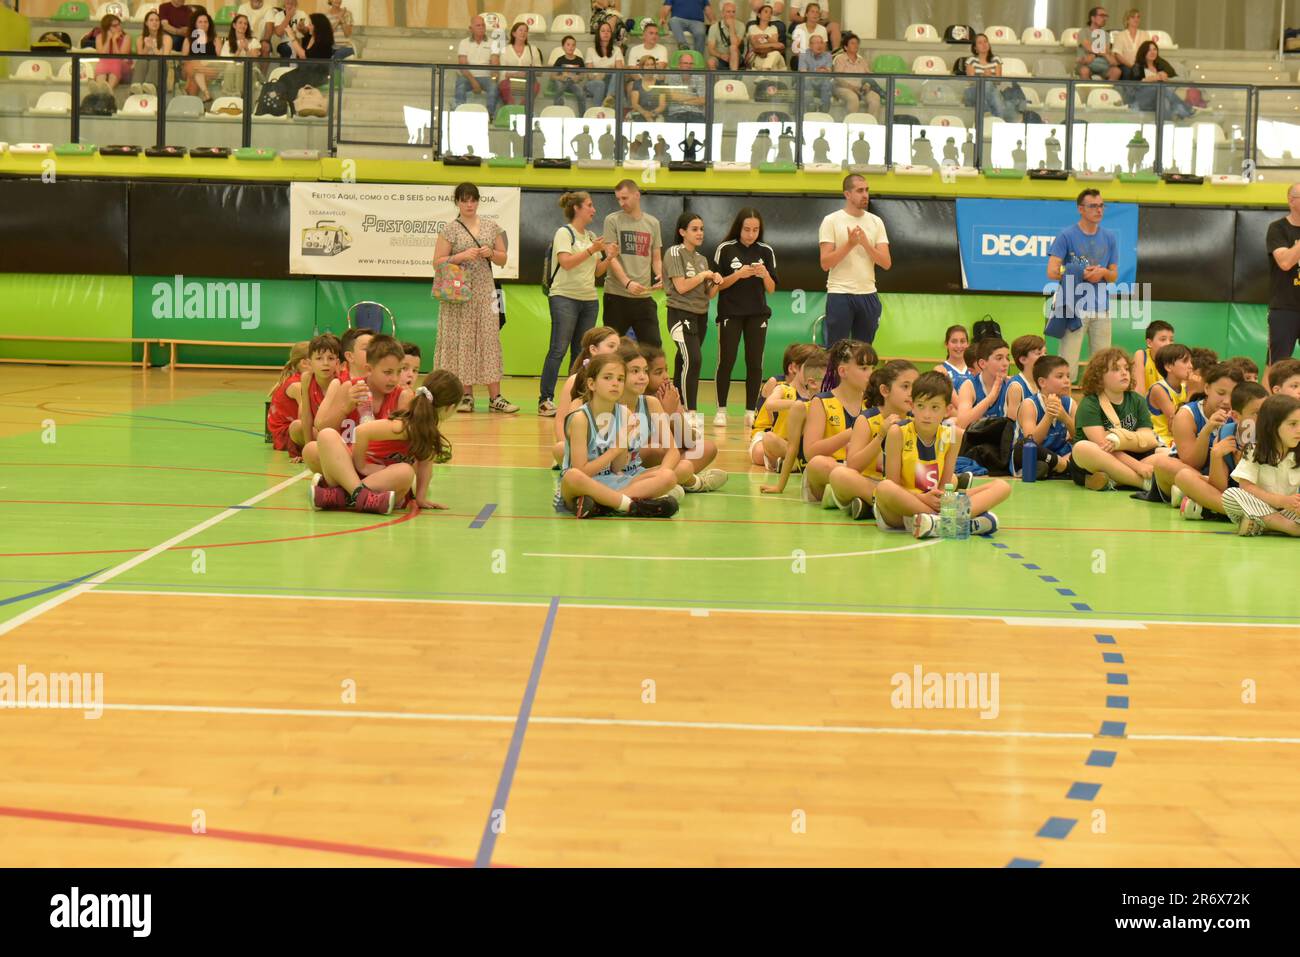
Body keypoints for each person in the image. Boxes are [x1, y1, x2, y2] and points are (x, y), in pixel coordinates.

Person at [873, 372, 1007, 538]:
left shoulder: (953, 435)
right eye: (921, 406)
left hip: (937, 503)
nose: (926, 414)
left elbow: (945, 485)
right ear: (912, 406)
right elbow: (893, 484)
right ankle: (955, 521)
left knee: (1002, 486)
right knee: (884, 488)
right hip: (903, 509)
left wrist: (941, 498)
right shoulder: (897, 432)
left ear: (947, 410)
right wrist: (923, 498)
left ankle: (939, 523)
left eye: (935, 407)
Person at [310, 369, 463, 514]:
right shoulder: (406, 425)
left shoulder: (428, 430)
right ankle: (357, 494)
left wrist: (421, 498)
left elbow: (425, 465)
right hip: (356, 475)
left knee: (405, 472)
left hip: (379, 483)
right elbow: (361, 431)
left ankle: (341, 496)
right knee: (326, 435)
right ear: (450, 408)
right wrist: (361, 465)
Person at [554, 353, 681, 518]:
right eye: (608, 378)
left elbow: (617, 468)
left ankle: (605, 505)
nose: (615, 383)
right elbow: (582, 472)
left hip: (613, 481)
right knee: (572, 476)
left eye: (620, 379)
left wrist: (623, 445)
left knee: (668, 476)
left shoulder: (624, 414)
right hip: (583, 484)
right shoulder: (580, 418)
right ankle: (631, 506)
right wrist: (614, 450)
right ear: (592, 384)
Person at [431, 182, 518, 414]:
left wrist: (493, 253)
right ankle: (466, 395)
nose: (469, 204)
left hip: (485, 291)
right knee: (463, 341)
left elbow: (502, 259)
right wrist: (459, 256)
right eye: (464, 200)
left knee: (490, 340)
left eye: (473, 200)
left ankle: (495, 397)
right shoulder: (450, 229)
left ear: (478, 201)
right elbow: (437, 262)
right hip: (459, 295)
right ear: (457, 202)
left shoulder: (492, 227)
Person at [540, 192, 608, 417]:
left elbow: (597, 271)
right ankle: (545, 400)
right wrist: (591, 250)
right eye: (589, 205)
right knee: (558, 349)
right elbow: (566, 262)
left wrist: (610, 257)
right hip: (564, 297)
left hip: (588, 299)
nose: (593, 209)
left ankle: (575, 398)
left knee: (581, 352)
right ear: (577, 208)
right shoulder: (564, 232)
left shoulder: (591, 235)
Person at [827, 359, 918, 519]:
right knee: (840, 475)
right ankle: (884, 504)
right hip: (870, 484)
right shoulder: (867, 419)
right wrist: (881, 436)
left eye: (915, 387)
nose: (911, 393)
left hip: (902, 488)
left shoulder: (915, 421)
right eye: (905, 386)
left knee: (951, 478)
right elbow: (853, 465)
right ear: (885, 390)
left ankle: (873, 507)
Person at [712, 207, 777, 428]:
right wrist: (738, 275)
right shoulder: (725, 249)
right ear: (739, 228)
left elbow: (771, 289)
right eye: (747, 229)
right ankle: (721, 410)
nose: (751, 234)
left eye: (755, 230)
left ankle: (751, 410)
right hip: (731, 313)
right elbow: (717, 286)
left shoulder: (766, 251)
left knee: (754, 362)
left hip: (757, 314)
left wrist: (765, 274)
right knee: (727, 360)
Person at [1046, 188, 1119, 383]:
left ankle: (1098, 410)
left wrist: (1103, 273)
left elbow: (1113, 275)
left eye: (1101, 205)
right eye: (1093, 206)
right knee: (1067, 366)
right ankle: (1063, 409)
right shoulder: (1066, 235)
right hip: (1074, 308)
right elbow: (1052, 271)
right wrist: (1080, 272)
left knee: (1103, 368)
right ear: (1081, 209)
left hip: (1102, 309)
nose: (1099, 210)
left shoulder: (1109, 237)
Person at [1067, 347, 1158, 491]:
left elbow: (1147, 439)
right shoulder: (1090, 403)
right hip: (1098, 460)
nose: (1124, 373)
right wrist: (1138, 466)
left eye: (1126, 369)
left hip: (1130, 456)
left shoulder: (1137, 400)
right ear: (1099, 376)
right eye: (1116, 369)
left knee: (1164, 455)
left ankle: (1115, 479)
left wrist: (1120, 440)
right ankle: (1145, 484)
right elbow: (1104, 446)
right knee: (1081, 448)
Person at [818, 174, 891, 344]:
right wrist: (850, 244)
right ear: (847, 194)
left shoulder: (876, 221)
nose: (865, 194)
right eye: (859, 191)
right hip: (840, 293)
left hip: (868, 294)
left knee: (863, 352)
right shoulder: (831, 221)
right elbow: (825, 263)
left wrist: (865, 243)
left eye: (866, 190)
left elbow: (886, 263)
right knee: (837, 351)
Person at [664, 212, 722, 416]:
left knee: (683, 360)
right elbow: (680, 287)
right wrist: (703, 275)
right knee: (694, 360)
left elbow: (708, 294)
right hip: (680, 314)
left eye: (702, 229)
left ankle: (675, 408)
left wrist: (715, 282)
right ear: (682, 232)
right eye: (694, 229)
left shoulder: (702, 259)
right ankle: (691, 411)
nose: (700, 233)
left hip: (700, 315)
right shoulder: (674, 252)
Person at [1221, 395, 1300, 536]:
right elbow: (1246, 486)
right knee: (1230, 495)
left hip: (1288, 512)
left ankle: (1264, 525)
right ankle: (1290, 528)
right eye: (1293, 424)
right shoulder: (1254, 450)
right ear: (1272, 426)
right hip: (1257, 505)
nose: (1299, 429)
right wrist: (1280, 500)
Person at [602, 179, 664, 346]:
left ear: (637, 195)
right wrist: (627, 283)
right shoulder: (612, 220)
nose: (621, 203)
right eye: (618, 199)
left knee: (653, 346)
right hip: (616, 295)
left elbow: (656, 258)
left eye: (625, 198)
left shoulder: (653, 223)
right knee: (612, 348)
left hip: (643, 297)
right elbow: (611, 256)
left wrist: (661, 275)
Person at [750, 344, 825, 470]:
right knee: (768, 440)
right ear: (795, 368)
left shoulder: (817, 393)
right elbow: (769, 404)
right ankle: (789, 463)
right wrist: (798, 404)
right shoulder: (783, 388)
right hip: (782, 441)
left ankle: (791, 463)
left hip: (803, 445)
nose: (813, 375)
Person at [1013, 355, 1076, 479]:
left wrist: (1066, 419)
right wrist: (1048, 416)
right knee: (1030, 449)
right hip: (1033, 454)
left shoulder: (1070, 403)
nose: (1067, 380)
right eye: (1060, 376)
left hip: (1060, 454)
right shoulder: (1029, 405)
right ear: (1042, 382)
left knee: (1084, 447)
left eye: (1068, 376)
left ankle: (1056, 467)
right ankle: (1065, 468)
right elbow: (1031, 443)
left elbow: (1080, 437)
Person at [1266, 183, 1300, 364]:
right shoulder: (1278, 228)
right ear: (1291, 200)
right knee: (1277, 365)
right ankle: (1274, 393)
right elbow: (1285, 262)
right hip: (1285, 307)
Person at [1125, 40, 1193, 120]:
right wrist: (1152, 78)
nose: (1153, 52)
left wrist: (1165, 78)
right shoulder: (1137, 67)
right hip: (1140, 100)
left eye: (1155, 49)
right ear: (1143, 52)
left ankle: (1166, 126)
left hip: (1156, 100)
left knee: (1164, 100)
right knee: (1158, 88)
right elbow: (1134, 87)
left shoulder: (1159, 66)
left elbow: (1173, 77)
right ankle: (1185, 110)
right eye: (1149, 50)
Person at [1146, 342, 1192, 448]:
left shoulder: (1185, 388)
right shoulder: (1159, 389)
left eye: (1191, 361)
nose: (1191, 366)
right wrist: (1193, 391)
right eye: (1185, 361)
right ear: (1168, 367)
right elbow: (1176, 426)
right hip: (1161, 440)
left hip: (1177, 440)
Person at [964, 33, 1017, 123]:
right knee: (987, 84)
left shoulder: (996, 59)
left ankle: (989, 115)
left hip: (992, 92)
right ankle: (996, 119)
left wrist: (988, 77)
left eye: (985, 41)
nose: (984, 44)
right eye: (980, 43)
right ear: (975, 48)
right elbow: (971, 81)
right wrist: (984, 76)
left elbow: (998, 81)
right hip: (974, 92)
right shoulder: (971, 61)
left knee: (996, 98)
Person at [454, 15, 500, 114]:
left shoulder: (493, 43)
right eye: (478, 25)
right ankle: (459, 114)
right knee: (460, 85)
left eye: (483, 25)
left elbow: (495, 66)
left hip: (487, 77)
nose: (481, 28)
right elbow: (462, 66)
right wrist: (474, 82)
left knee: (494, 87)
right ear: (471, 28)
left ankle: (489, 116)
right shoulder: (464, 43)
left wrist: (493, 79)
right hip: (468, 77)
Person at [833, 33, 882, 118]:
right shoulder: (840, 59)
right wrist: (852, 87)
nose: (856, 45)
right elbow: (838, 78)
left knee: (875, 98)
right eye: (852, 43)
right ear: (845, 47)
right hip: (843, 88)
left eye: (857, 43)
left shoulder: (862, 60)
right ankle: (851, 126)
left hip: (861, 89)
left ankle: (871, 125)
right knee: (853, 98)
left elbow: (869, 76)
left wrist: (867, 85)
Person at [180, 11, 224, 102]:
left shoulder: (216, 39)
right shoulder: (188, 39)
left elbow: (219, 60)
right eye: (200, 22)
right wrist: (198, 64)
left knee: (193, 78)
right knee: (194, 64)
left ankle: (192, 107)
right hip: (190, 68)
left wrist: (201, 64)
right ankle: (206, 93)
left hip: (210, 68)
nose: (203, 24)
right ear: (195, 24)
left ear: (209, 24)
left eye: (206, 22)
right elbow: (184, 59)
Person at [1004, 334, 1047, 426]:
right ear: (1023, 359)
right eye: (1039, 354)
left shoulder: (1045, 381)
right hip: (1022, 438)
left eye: (1045, 353)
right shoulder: (1016, 387)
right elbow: (1012, 423)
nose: (1044, 357)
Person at [498, 21, 543, 105]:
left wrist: (527, 73)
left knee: (535, 86)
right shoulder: (505, 49)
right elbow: (502, 71)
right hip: (508, 81)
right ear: (514, 33)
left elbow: (539, 71)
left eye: (526, 31)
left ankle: (523, 107)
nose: (523, 33)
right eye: (521, 30)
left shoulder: (533, 49)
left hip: (527, 81)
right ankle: (510, 108)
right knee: (505, 87)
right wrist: (515, 74)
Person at [586, 18, 624, 108]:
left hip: (611, 81)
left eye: (608, 31)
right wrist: (598, 76)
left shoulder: (617, 50)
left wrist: (606, 72)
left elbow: (620, 71)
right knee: (600, 84)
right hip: (595, 81)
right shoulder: (590, 50)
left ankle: (608, 98)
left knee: (616, 75)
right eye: (603, 31)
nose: (606, 33)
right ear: (598, 33)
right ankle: (598, 110)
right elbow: (589, 75)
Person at [1077, 5, 1122, 81]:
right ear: (1092, 18)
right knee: (1084, 71)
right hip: (1087, 63)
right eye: (1101, 15)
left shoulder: (1106, 35)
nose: (1104, 18)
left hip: (1103, 64)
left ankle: (1106, 92)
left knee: (1116, 71)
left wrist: (1094, 54)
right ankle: (1088, 92)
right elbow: (1089, 47)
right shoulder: (1083, 32)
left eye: (1106, 16)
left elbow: (1105, 50)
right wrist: (1102, 53)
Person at [1130, 319, 1175, 396]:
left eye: (1171, 340)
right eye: (1163, 339)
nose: (1168, 343)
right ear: (1149, 343)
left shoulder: (1175, 361)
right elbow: (1139, 392)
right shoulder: (1141, 355)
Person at [93, 14, 133, 92]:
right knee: (103, 62)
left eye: (119, 24)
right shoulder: (99, 37)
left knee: (115, 60)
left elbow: (121, 57)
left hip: (124, 68)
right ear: (107, 28)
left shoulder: (126, 37)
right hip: (106, 66)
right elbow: (102, 56)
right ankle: (101, 90)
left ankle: (109, 90)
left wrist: (114, 41)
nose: (118, 27)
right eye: (114, 26)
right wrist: (108, 39)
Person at [548, 34, 588, 112]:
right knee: (559, 86)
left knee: (581, 94)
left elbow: (582, 75)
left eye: (573, 45)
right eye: (568, 45)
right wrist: (561, 77)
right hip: (562, 83)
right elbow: (552, 76)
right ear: (563, 47)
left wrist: (578, 77)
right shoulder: (560, 60)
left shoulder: (579, 60)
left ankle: (582, 116)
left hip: (573, 83)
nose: (571, 47)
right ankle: (558, 111)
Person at [665, 51, 707, 122]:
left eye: (691, 63)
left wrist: (683, 101)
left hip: (696, 113)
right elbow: (674, 96)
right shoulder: (671, 77)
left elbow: (703, 100)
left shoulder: (699, 77)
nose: (688, 65)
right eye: (685, 63)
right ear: (679, 65)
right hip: (676, 113)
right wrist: (695, 98)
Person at [797, 32, 833, 113]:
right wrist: (816, 71)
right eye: (816, 43)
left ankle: (824, 110)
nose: (819, 45)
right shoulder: (803, 55)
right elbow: (803, 74)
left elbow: (828, 72)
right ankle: (810, 109)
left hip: (822, 81)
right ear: (810, 45)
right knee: (806, 82)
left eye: (821, 42)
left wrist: (814, 72)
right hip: (808, 81)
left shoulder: (828, 55)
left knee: (828, 83)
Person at [706, 0, 744, 71]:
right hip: (720, 57)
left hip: (737, 57)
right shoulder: (714, 27)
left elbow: (735, 44)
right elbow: (711, 49)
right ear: (722, 13)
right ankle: (715, 81)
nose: (731, 14)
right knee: (711, 62)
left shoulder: (741, 26)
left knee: (733, 48)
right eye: (728, 12)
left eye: (733, 12)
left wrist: (731, 27)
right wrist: (721, 55)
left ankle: (732, 79)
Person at [627, 55, 667, 121]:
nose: (650, 67)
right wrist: (645, 114)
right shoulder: (637, 83)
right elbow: (635, 104)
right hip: (639, 113)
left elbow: (662, 106)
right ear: (642, 67)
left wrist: (651, 114)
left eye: (652, 64)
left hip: (656, 114)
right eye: (647, 65)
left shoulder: (660, 83)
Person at [746, 4, 785, 70]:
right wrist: (771, 45)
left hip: (771, 55)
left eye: (771, 13)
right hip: (756, 56)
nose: (769, 14)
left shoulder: (773, 28)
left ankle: (764, 73)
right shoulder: (752, 28)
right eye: (766, 12)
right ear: (759, 15)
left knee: (775, 54)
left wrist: (766, 37)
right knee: (774, 63)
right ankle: (766, 72)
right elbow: (755, 46)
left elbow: (778, 45)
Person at [935, 324, 973, 390]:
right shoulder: (940, 370)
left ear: (968, 344)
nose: (959, 346)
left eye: (962, 341)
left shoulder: (976, 368)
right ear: (946, 344)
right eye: (954, 341)